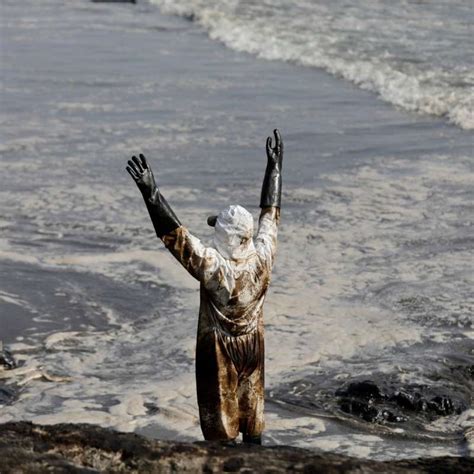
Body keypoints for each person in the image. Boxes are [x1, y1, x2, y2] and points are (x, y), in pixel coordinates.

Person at [126, 130, 283, 444]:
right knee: (251, 412)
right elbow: (271, 214)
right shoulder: (264, 255)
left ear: (224, 236)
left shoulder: (214, 268)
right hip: (253, 346)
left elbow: (177, 238)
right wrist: (275, 168)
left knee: (220, 421)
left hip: (219, 349)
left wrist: (151, 192)